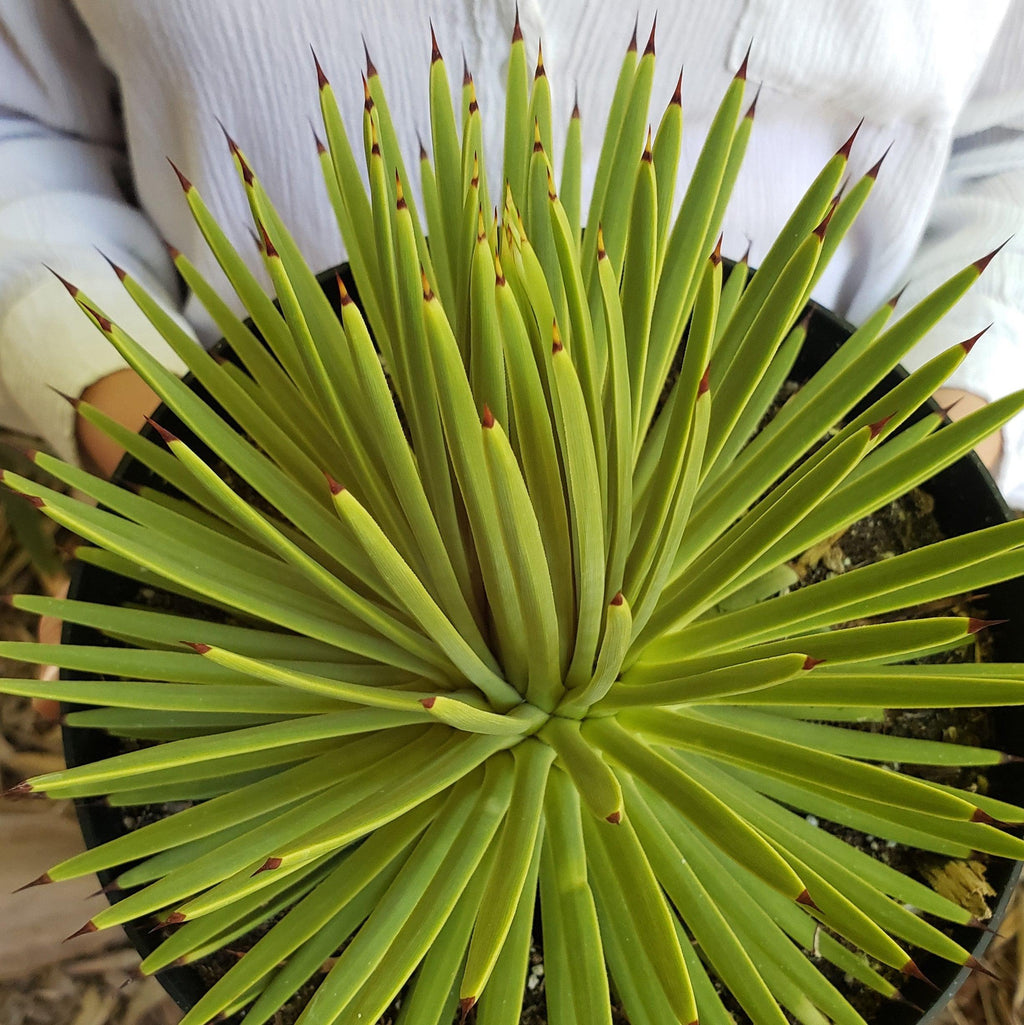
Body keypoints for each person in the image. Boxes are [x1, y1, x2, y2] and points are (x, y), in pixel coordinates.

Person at [1, 1, 1021, 493]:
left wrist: (965, 394)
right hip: (278, 518)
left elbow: (1006, 136)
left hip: (807, 507)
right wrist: (130, 412)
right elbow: (21, 124)